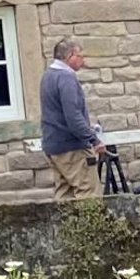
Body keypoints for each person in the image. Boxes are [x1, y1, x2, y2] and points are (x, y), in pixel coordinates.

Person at [39, 38, 108, 197]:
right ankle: (91, 223)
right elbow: (73, 116)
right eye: (80, 55)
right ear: (70, 56)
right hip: (72, 147)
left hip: (53, 145)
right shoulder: (66, 78)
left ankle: (64, 223)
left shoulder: (48, 76)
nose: (83, 60)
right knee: (88, 192)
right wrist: (94, 140)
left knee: (64, 194)